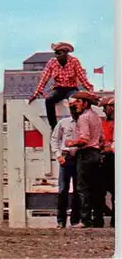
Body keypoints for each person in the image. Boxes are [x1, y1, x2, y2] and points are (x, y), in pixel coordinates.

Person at [29, 42, 93, 130]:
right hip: (58, 88)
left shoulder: (74, 61)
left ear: (66, 53)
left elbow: (82, 77)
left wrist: (91, 91)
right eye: (56, 53)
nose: (57, 56)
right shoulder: (52, 62)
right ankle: (54, 127)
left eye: (59, 53)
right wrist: (35, 94)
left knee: (74, 101)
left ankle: (78, 124)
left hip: (71, 88)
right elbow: (44, 78)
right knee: (49, 100)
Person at [65, 91, 104, 228]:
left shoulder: (83, 118)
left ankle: (85, 219)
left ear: (85, 103)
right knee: (97, 188)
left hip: (86, 154)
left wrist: (71, 143)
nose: (76, 104)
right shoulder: (97, 117)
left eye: (79, 102)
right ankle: (98, 219)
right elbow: (102, 139)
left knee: (83, 188)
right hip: (97, 153)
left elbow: (84, 139)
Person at [50, 100, 81, 228]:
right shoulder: (64, 123)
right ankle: (61, 220)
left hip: (80, 157)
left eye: (75, 108)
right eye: (72, 108)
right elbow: (54, 139)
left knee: (78, 190)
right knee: (63, 190)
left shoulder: (83, 123)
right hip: (66, 157)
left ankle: (75, 220)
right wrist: (58, 155)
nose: (73, 111)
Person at [99, 96, 115, 227]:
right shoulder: (103, 123)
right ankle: (99, 218)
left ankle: (115, 219)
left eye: (106, 107)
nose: (105, 110)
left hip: (114, 158)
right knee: (100, 190)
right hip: (105, 158)